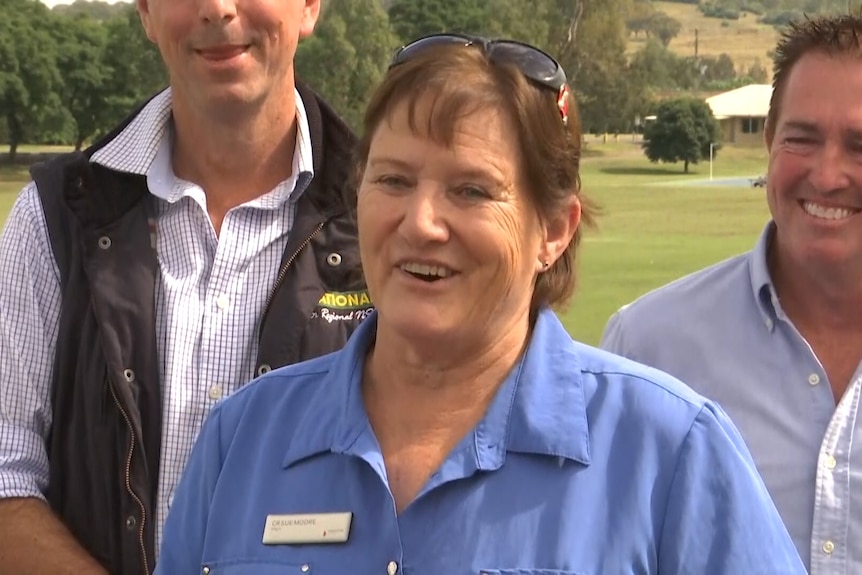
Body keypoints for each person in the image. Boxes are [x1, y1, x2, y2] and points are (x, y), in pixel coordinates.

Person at [155, 33, 806, 574]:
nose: (421, 221)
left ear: (554, 229)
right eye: (393, 180)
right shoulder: (239, 439)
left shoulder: (669, 451)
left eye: (471, 190)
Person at [0, 0, 371, 573]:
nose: (218, 9)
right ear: (145, 12)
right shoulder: (54, 218)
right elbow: (6, 478)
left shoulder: (383, 221)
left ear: (309, 6)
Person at [601, 14, 862, 574]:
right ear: (769, 140)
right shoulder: (649, 348)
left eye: (860, 145)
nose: (829, 174)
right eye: (802, 138)